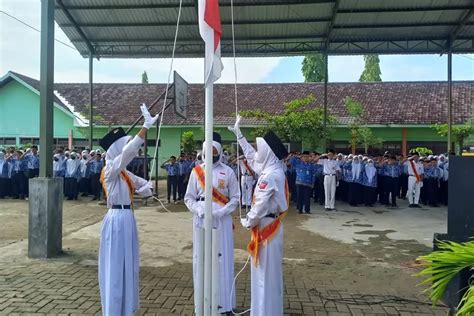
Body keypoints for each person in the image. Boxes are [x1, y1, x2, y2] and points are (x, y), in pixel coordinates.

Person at [98, 104, 157, 316]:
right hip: (115, 219)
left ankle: (124, 309)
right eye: (124, 145)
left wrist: (147, 190)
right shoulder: (111, 169)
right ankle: (113, 310)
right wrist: (145, 128)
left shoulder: (122, 172)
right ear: (116, 150)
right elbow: (129, 153)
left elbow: (141, 184)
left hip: (127, 217)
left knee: (127, 264)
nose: (130, 150)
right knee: (115, 267)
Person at [228, 116, 289, 316]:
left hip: (266, 227)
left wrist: (248, 220)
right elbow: (252, 155)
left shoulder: (270, 175)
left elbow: (261, 204)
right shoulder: (272, 168)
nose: (257, 150)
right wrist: (239, 135)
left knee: (264, 275)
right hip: (272, 226)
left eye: (260, 147)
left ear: (268, 152)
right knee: (269, 275)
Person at [184, 132, 239, 315]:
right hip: (200, 220)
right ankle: (203, 304)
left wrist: (221, 212)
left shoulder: (228, 171)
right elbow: (189, 197)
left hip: (222, 221)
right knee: (202, 259)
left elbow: (235, 198)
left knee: (222, 259)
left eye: (214, 150)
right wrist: (199, 210)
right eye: (208, 150)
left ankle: (224, 304)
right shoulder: (196, 171)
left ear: (219, 151)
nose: (211, 153)